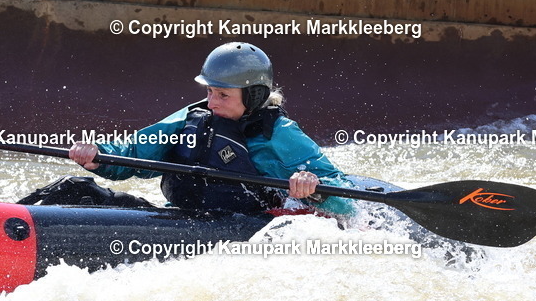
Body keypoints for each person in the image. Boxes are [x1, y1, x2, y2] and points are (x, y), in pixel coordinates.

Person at [57, 42, 355, 217]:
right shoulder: (192, 118)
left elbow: (344, 198)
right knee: (73, 189)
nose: (211, 103)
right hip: (179, 218)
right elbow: (134, 152)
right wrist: (98, 154)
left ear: (253, 95)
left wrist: (311, 187)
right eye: (210, 91)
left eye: (223, 95)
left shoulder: (280, 135)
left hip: (244, 229)